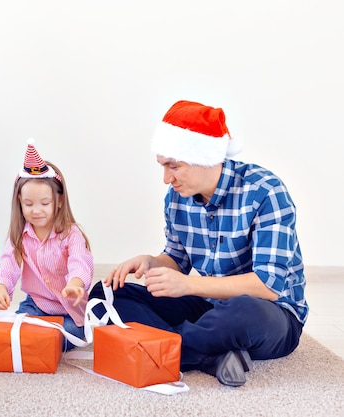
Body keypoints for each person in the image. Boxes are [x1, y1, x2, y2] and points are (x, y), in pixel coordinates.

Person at [89, 100, 307, 387]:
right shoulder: (177, 197)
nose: (166, 179)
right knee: (107, 294)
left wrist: (188, 285)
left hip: (272, 315)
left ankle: (155, 347)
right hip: (208, 307)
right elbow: (177, 259)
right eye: (162, 166)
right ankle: (209, 358)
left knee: (244, 311)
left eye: (173, 166)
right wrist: (150, 262)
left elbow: (266, 286)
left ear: (204, 158)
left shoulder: (265, 191)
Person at [0, 140, 94, 350]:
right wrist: (0, 289)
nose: (36, 210)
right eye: (28, 204)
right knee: (17, 332)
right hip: (35, 305)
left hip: (69, 312)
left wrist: (75, 285)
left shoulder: (71, 234)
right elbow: (7, 266)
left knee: (70, 337)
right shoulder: (20, 235)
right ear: (19, 201)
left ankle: (34, 336)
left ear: (59, 201)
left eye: (45, 203)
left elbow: (80, 263)